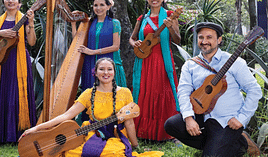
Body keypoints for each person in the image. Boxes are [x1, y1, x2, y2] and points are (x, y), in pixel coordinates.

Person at [19, 58, 164, 157]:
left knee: (114, 153)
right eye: (102, 69)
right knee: (71, 153)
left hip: (115, 135)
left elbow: (129, 122)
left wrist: (135, 145)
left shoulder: (125, 92)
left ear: (114, 72)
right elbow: (66, 116)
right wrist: (36, 128)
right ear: (96, 72)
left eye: (109, 69)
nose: (106, 73)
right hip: (91, 133)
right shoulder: (88, 94)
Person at [164, 22, 262, 157]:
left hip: (226, 120)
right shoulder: (190, 64)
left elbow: (254, 90)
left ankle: (232, 144)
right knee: (171, 125)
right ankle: (231, 143)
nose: (204, 41)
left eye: (209, 37)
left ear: (219, 40)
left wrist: (241, 118)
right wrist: (188, 118)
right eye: (200, 37)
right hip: (201, 115)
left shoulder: (235, 62)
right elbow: (183, 91)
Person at [129, 0, 181, 141]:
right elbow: (132, 38)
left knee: (161, 91)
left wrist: (170, 28)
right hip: (144, 61)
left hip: (162, 62)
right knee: (144, 92)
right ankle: (142, 132)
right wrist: (136, 43)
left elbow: (177, 40)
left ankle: (166, 132)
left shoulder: (171, 15)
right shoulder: (142, 18)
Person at [0, 0, 37, 143]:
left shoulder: (24, 19)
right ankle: (2, 134)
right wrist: (0, 33)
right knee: (3, 93)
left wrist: (31, 22)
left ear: (19, 2)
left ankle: (20, 133)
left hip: (19, 61)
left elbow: (32, 42)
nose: (10, 1)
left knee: (18, 94)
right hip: (2, 62)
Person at [71, 0, 127, 123]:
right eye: (96, 5)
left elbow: (116, 46)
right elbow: (77, 43)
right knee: (90, 93)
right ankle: (89, 124)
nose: (98, 8)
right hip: (90, 64)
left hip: (108, 63)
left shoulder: (115, 23)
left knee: (109, 95)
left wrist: (93, 51)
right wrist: (74, 24)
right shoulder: (89, 23)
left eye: (102, 5)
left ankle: (111, 125)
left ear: (108, 6)